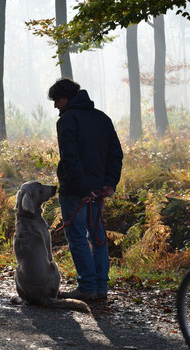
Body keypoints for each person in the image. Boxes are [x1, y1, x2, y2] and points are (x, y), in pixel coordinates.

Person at [48, 78, 123, 301]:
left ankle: (87, 287)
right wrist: (109, 183)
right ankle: (101, 289)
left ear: (66, 97)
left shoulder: (67, 120)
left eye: (56, 100)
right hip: (99, 189)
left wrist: (83, 189)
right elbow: (115, 154)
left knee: (78, 238)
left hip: (75, 191)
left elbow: (70, 158)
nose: (55, 106)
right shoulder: (102, 118)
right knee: (98, 238)